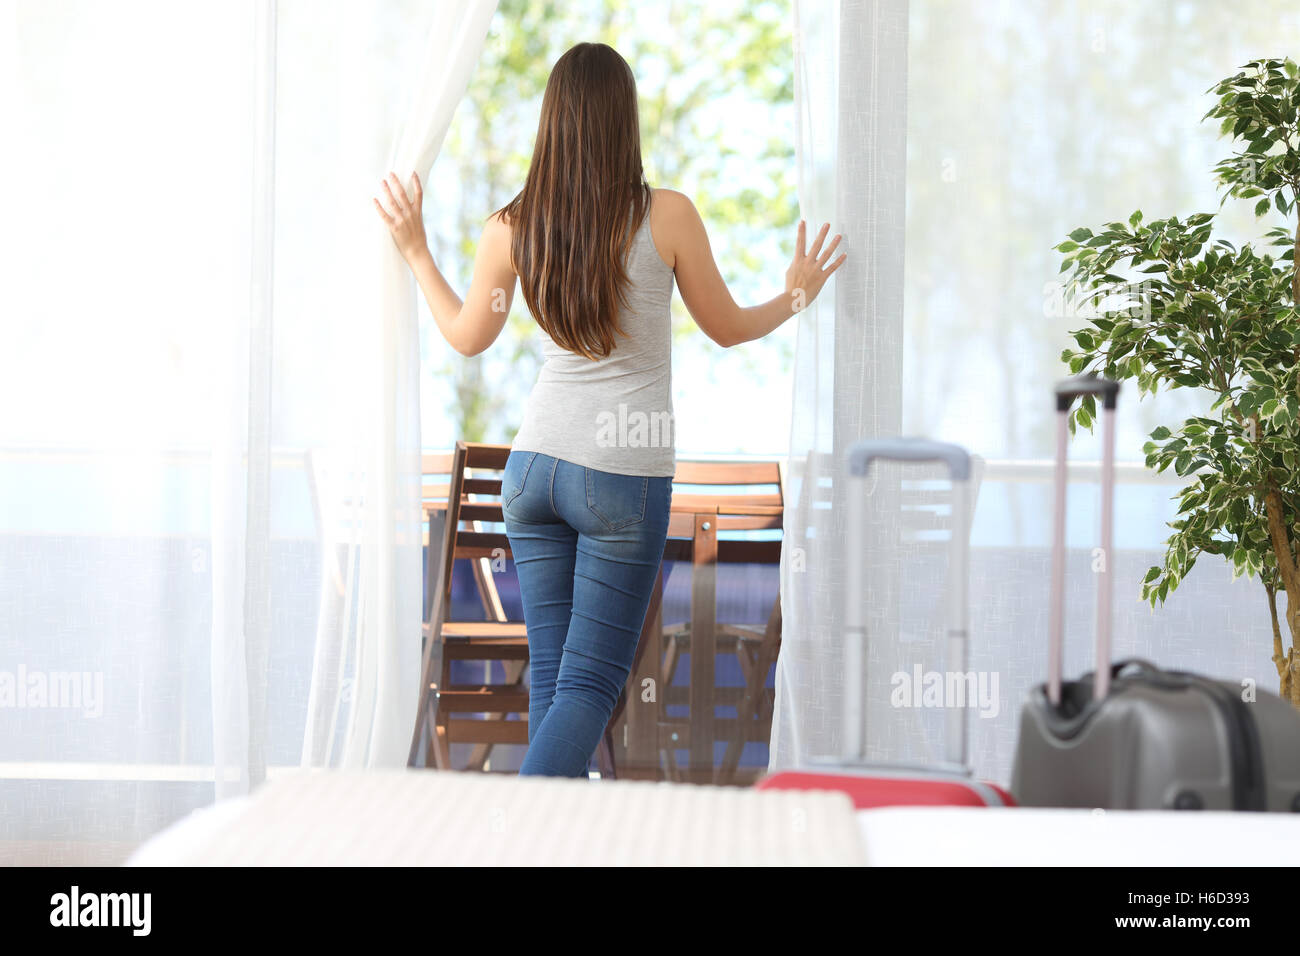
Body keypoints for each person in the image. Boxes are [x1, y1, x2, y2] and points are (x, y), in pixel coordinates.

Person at [373, 41, 844, 777]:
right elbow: (726, 328)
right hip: (620, 479)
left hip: (532, 477)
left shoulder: (512, 227)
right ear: (625, 121)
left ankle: (550, 845)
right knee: (589, 686)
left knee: (559, 686)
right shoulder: (668, 217)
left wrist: (416, 252)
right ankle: (517, 834)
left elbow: (468, 336)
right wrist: (797, 293)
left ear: (551, 122)